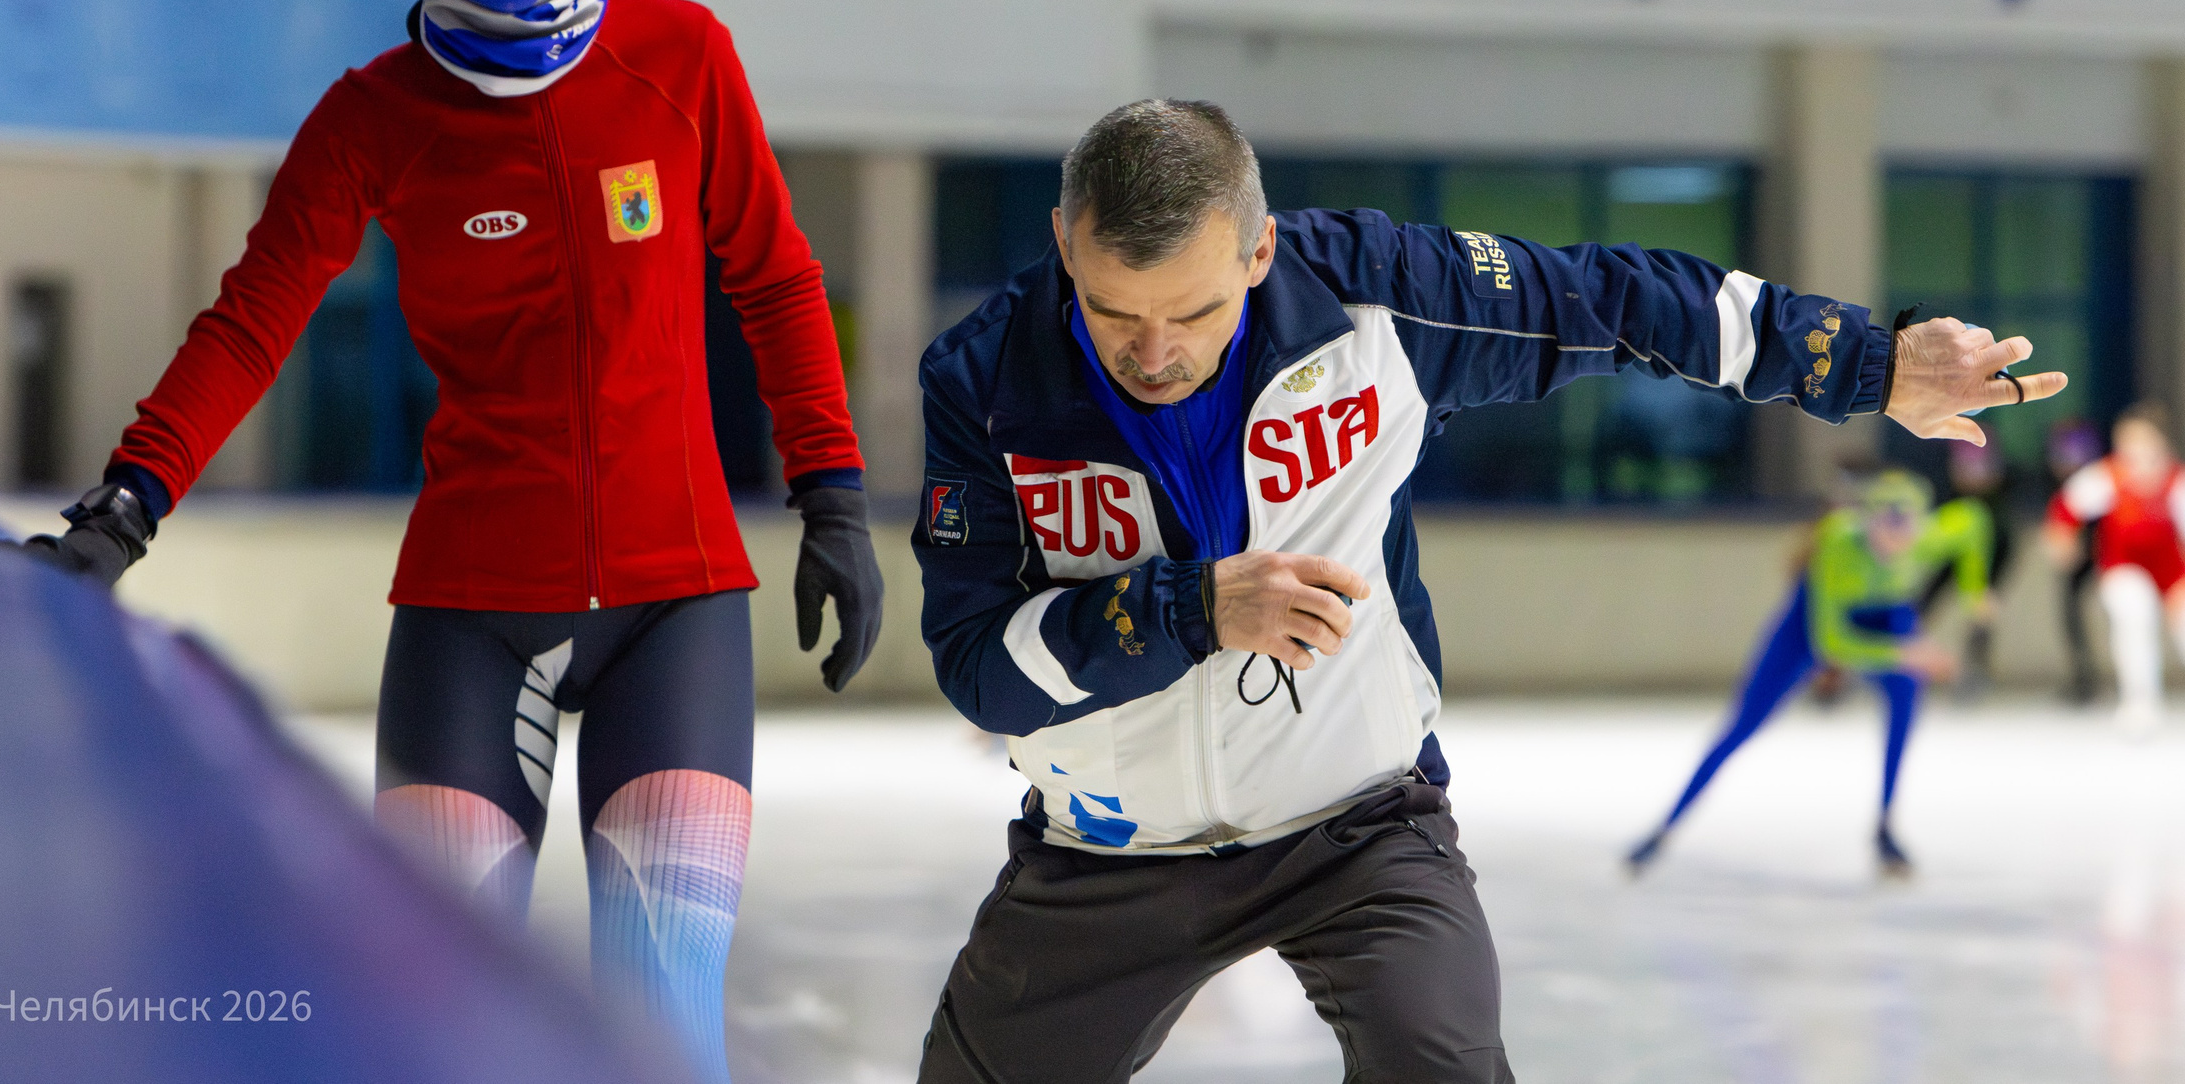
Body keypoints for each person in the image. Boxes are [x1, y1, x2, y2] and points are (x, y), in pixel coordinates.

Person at [23, 0, 881, 1083]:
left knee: (661, 1017)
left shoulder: (681, 56)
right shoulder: (374, 119)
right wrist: (123, 508)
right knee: (434, 1033)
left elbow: (773, 277)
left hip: (677, 603)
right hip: (473, 614)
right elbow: (251, 322)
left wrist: (832, 496)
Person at [908, 99, 2062, 1084]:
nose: (1155, 352)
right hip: (1107, 853)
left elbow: (1611, 300)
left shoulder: (1376, 299)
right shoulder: (987, 381)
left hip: (1357, 828)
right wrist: (1184, 610)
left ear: (1258, 252)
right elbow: (978, 665)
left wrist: (1862, 361)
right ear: (1064, 242)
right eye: (1115, 312)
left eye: (1194, 312)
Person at [1626, 468, 1980, 880]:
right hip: (1809, 627)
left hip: (1884, 616)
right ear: (1867, 520)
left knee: (1906, 692)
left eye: (1907, 527)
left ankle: (1886, 826)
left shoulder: (1930, 538)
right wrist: (1906, 653)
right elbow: (1831, 643)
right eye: (1886, 524)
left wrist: (1976, 595)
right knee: (1742, 725)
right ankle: (1664, 828)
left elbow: (1977, 521)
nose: (1896, 539)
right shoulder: (1838, 542)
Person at [2044, 402, 2185, 735]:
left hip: (2173, 573)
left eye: (2143, 440)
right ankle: (2140, 702)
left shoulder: (2176, 481)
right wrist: (2062, 538)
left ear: (2161, 442)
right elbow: (2065, 509)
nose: (2135, 450)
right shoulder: (2106, 476)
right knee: (2133, 612)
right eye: (2127, 441)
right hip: (2123, 567)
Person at [1919, 438, 2008, 696]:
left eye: (1979, 469)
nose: (1972, 477)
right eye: (1965, 469)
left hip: (1984, 563)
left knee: (1980, 615)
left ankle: (1977, 670)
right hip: (1951, 560)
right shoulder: (1949, 495)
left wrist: (1987, 586)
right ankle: (1915, 662)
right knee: (1922, 607)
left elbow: (2003, 545)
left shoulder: (1996, 507)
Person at [2048, 417, 2107, 703]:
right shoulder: (2069, 487)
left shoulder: (2095, 478)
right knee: (2071, 613)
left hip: (2108, 549)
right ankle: (2083, 677)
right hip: (2083, 551)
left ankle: (2086, 678)